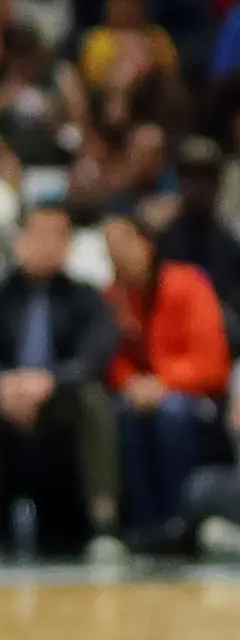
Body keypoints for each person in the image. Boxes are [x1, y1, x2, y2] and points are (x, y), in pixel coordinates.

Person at [0, 203, 127, 563]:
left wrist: (50, 382)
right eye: (37, 233)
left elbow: (94, 356)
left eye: (57, 236)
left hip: (58, 397)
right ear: (18, 240)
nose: (46, 244)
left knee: (92, 399)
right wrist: (1, 383)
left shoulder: (86, 297)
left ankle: (104, 524)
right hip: (2, 395)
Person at [101, 211, 229, 548]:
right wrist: (130, 383)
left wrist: (162, 383)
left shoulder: (187, 283)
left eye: (125, 242)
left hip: (198, 398)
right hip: (142, 396)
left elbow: (213, 364)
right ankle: (144, 525)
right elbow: (112, 361)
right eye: (109, 245)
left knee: (170, 414)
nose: (117, 252)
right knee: (123, 414)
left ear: (148, 244)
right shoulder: (112, 297)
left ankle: (180, 521)